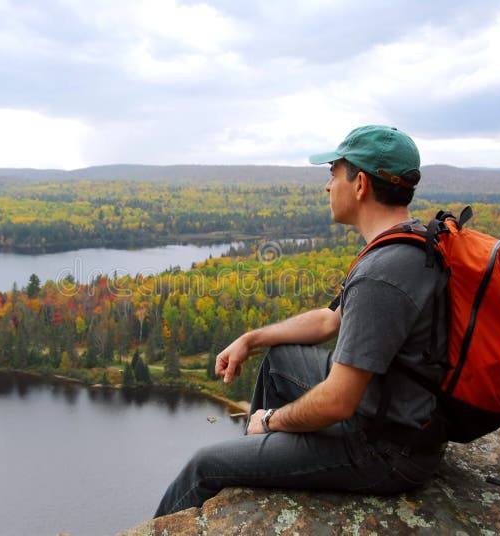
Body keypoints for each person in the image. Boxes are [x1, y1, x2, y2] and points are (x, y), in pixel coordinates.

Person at [154, 125, 448, 517]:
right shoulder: (411, 240)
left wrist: (271, 420)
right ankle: (258, 460)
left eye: (332, 173)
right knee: (279, 362)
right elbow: (329, 321)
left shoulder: (382, 273)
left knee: (203, 467)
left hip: (387, 449)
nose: (327, 186)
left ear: (359, 184)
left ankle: (253, 456)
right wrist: (251, 338)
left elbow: (338, 401)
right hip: (395, 409)